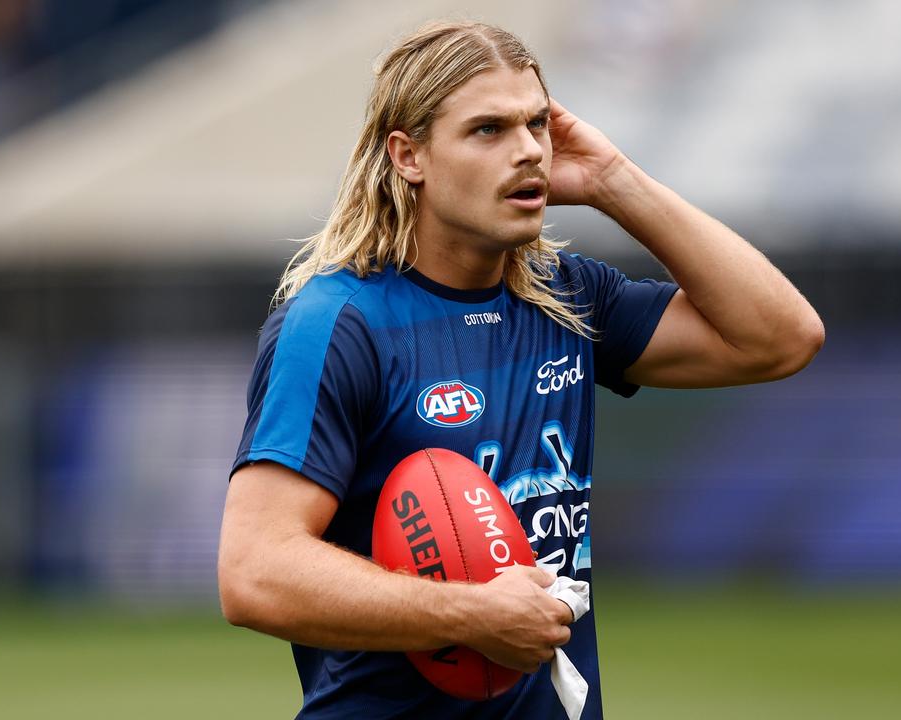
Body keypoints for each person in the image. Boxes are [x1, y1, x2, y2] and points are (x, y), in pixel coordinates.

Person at [218, 20, 823, 720]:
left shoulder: (564, 297)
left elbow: (781, 338)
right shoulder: (335, 323)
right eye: (489, 130)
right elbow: (254, 573)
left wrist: (612, 181)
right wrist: (469, 614)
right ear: (408, 156)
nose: (530, 150)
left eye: (537, 123)